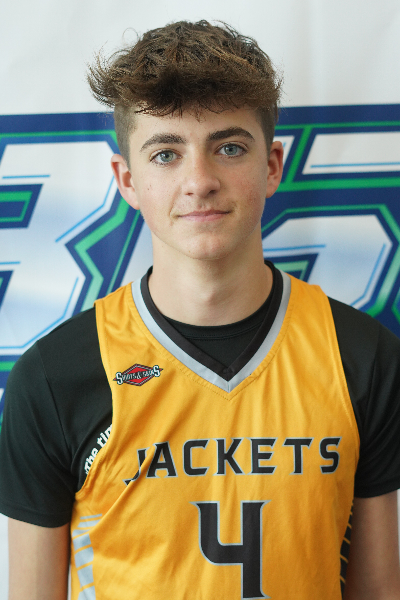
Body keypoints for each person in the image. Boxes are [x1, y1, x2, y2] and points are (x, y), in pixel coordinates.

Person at [1, 19, 400, 600]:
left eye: (229, 148)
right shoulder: (55, 376)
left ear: (271, 166)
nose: (200, 181)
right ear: (127, 180)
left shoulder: (361, 355)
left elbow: (380, 589)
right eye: (166, 154)